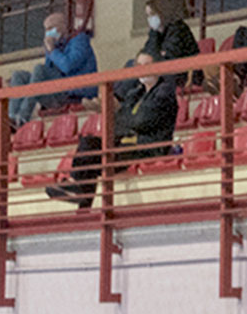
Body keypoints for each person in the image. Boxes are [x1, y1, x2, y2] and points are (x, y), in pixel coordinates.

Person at [43, 49, 178, 209]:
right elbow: (119, 122)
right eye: (139, 65)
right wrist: (128, 119)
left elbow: (143, 120)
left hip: (146, 147)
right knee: (89, 144)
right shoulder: (135, 93)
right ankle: (77, 188)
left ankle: (83, 201)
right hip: (126, 144)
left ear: (157, 67)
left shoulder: (165, 92)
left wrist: (126, 118)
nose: (142, 69)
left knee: (95, 159)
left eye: (147, 65)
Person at [8, 11, 96, 127]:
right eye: (45, 29)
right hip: (58, 90)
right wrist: (50, 51)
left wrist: (53, 51)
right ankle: (12, 117)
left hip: (74, 94)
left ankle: (23, 117)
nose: (47, 33)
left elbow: (67, 66)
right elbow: (46, 73)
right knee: (19, 75)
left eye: (50, 28)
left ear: (63, 27)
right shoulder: (56, 45)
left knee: (39, 68)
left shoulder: (79, 41)